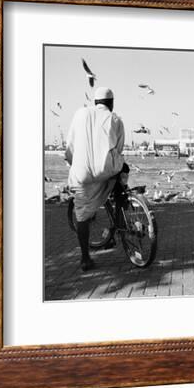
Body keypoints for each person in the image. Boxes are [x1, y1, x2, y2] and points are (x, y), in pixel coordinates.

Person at [64, 87, 128, 271]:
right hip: (106, 171)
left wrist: (72, 162)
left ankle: (85, 258)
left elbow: (70, 146)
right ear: (111, 103)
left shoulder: (80, 113)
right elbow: (118, 148)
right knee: (120, 175)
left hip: (82, 174)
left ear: (95, 103)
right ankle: (120, 217)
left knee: (82, 216)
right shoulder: (115, 118)